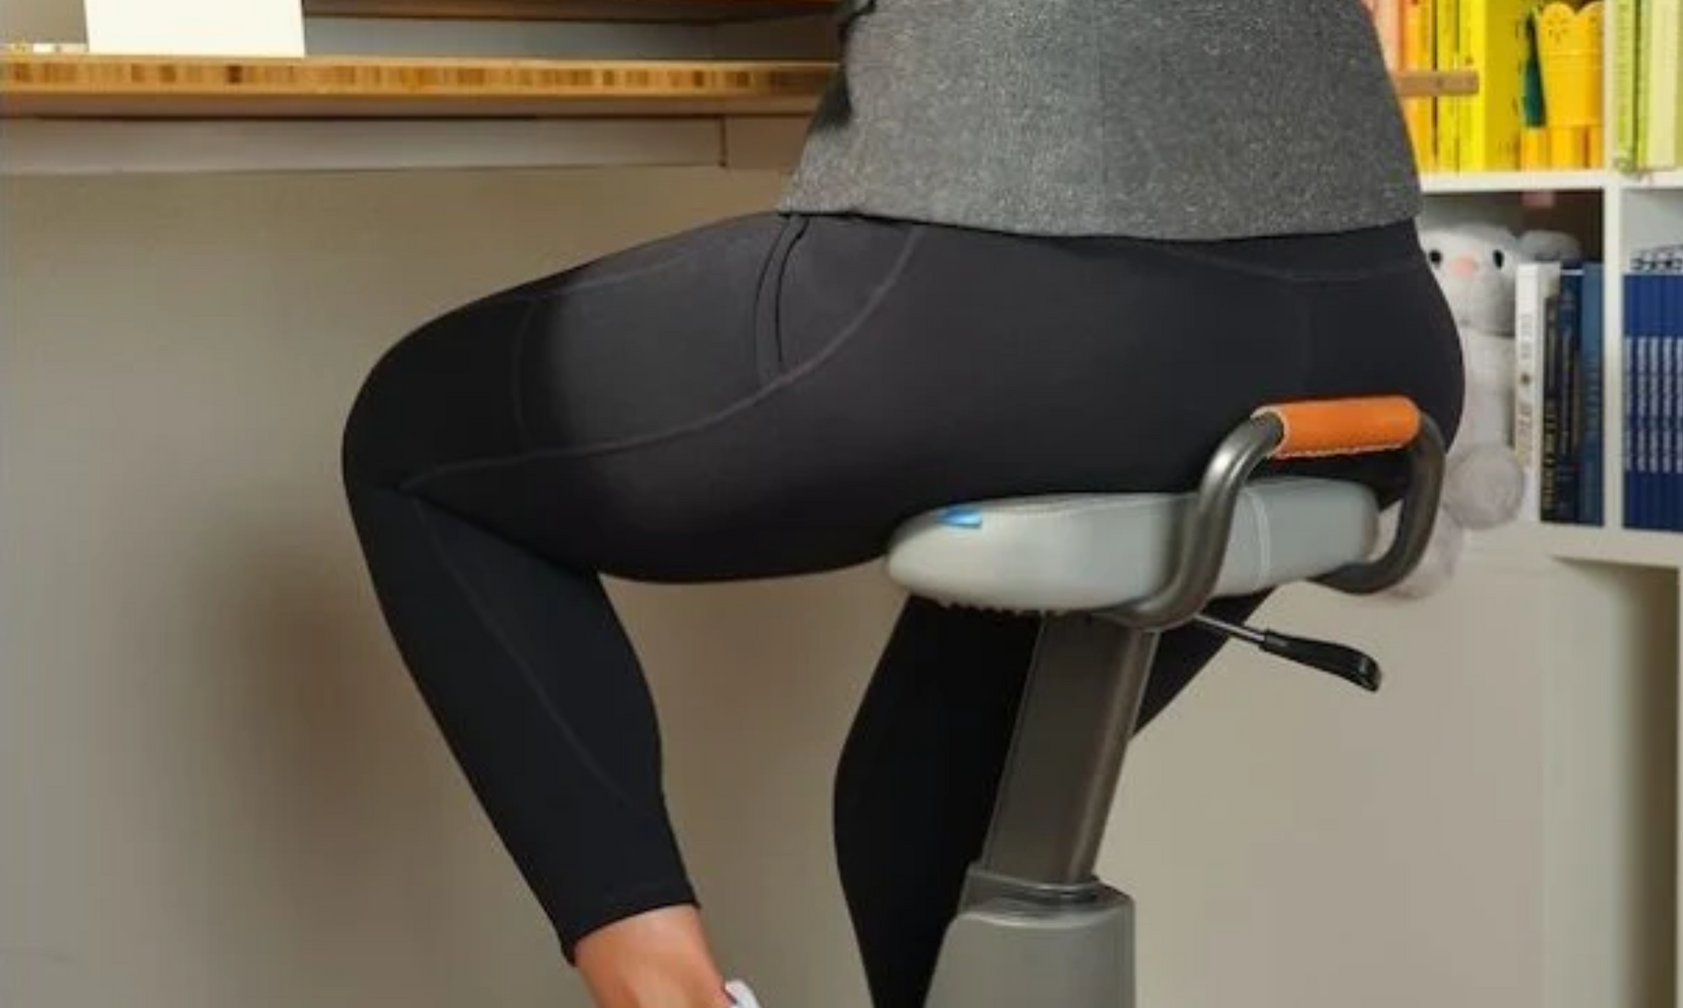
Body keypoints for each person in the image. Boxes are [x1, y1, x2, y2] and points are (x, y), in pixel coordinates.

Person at [339, 2, 1464, 1007]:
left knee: (419, 441)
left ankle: (666, 994)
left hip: (1038, 297)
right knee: (931, 814)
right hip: (1378, 339)